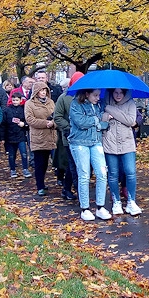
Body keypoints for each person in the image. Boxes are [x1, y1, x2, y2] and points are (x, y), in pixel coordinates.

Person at [68, 89, 111, 221]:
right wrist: (96, 120)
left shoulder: (99, 104)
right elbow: (81, 122)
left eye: (99, 95)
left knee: (102, 173)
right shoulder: (75, 104)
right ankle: (85, 208)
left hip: (95, 141)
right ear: (87, 94)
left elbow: (102, 124)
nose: (98, 98)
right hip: (79, 142)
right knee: (84, 174)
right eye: (95, 95)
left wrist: (101, 123)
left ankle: (100, 206)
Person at [102, 88, 142, 216]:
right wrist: (107, 115)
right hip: (110, 142)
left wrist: (110, 110)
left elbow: (131, 121)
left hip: (127, 142)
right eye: (115, 92)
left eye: (121, 93)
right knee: (113, 174)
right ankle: (116, 202)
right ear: (111, 92)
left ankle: (131, 201)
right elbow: (101, 119)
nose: (118, 95)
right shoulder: (103, 102)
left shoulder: (130, 103)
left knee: (130, 172)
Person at [54, 71, 84, 201]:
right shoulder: (64, 98)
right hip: (69, 137)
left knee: (79, 166)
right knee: (74, 165)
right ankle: (78, 192)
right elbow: (58, 117)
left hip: (84, 137)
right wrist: (69, 127)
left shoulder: (87, 96)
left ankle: (67, 189)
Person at [24, 81, 57, 196]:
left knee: (46, 162)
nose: (43, 93)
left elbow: (57, 116)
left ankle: (42, 183)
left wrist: (53, 123)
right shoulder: (29, 104)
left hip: (50, 136)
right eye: (41, 91)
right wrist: (45, 123)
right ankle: (40, 185)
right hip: (38, 136)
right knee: (39, 163)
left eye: (45, 91)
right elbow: (30, 119)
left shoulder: (51, 102)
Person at [0, 92, 31, 179]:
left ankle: (25, 169)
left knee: (24, 153)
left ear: (20, 100)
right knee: (11, 154)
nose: (15, 102)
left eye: (17, 100)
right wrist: (2, 137)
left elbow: (28, 121)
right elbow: (3, 125)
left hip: (21, 135)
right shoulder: (7, 110)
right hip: (10, 136)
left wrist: (24, 124)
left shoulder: (23, 110)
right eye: (13, 100)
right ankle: (12, 170)